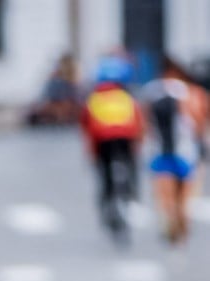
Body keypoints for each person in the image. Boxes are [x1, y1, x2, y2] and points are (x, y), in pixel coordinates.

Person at [142, 56, 205, 243]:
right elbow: (200, 124)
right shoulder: (191, 93)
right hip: (186, 153)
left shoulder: (152, 91)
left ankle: (172, 226)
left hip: (160, 153)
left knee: (166, 198)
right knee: (185, 200)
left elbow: (145, 124)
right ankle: (182, 225)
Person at [80, 55, 143, 235]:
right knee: (130, 165)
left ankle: (105, 200)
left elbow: (87, 128)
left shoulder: (94, 99)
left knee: (105, 174)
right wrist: (136, 147)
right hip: (125, 140)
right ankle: (132, 191)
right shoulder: (127, 98)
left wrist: (91, 153)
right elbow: (138, 125)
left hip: (103, 142)